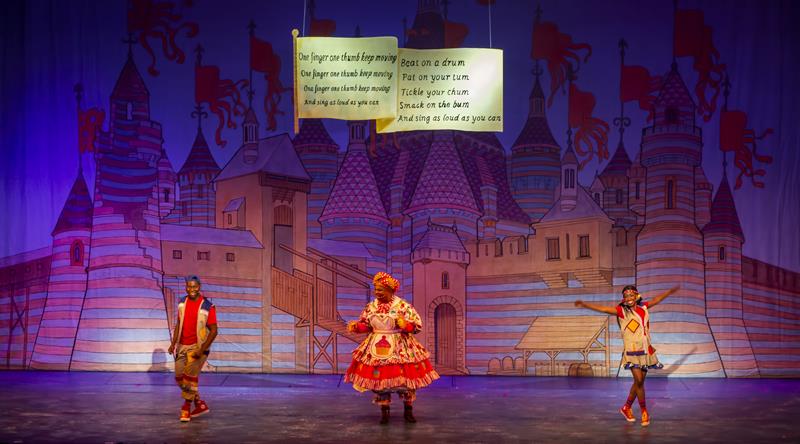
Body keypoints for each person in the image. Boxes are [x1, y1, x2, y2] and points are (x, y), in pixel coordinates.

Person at [574, 285, 679, 427]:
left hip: (646, 350)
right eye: (626, 296)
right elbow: (604, 309)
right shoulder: (622, 311)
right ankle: (644, 411)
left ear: (636, 296)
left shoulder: (643, 308)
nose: (628, 298)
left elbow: (656, 300)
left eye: (631, 295)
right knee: (639, 381)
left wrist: (669, 291)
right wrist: (585, 304)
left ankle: (626, 407)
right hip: (632, 351)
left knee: (638, 383)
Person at [344, 272, 440, 424]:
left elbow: (416, 326)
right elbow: (367, 325)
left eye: (380, 289)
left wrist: (405, 325)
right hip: (377, 345)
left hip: (400, 346)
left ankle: (408, 409)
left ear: (390, 290)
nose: (377, 292)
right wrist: (357, 327)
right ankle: (384, 411)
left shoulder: (402, 306)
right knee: (381, 380)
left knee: (405, 380)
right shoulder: (371, 307)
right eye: (376, 289)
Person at [168, 275, 219, 422]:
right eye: (189, 286)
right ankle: (198, 402)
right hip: (182, 346)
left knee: (190, 377)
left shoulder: (207, 306)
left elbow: (214, 331)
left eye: (194, 286)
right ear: (186, 287)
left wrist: (202, 350)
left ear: (199, 287)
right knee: (179, 376)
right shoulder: (182, 302)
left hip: (197, 347)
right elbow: (179, 324)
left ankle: (186, 407)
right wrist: (173, 343)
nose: (192, 289)